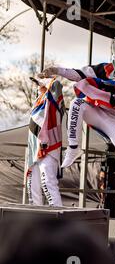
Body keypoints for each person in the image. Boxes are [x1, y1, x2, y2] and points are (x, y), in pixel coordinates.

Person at [39, 30, 115, 212]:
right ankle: (74, 147)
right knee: (77, 103)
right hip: (97, 110)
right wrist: (56, 70)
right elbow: (77, 74)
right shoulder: (104, 69)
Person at [26, 77, 64, 207]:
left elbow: (57, 85)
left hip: (49, 147)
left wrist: (46, 81)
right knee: (32, 186)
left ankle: (58, 216)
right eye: (37, 83)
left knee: (48, 182)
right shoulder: (38, 101)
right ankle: (36, 218)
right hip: (34, 148)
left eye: (39, 83)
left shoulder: (54, 100)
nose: (37, 86)